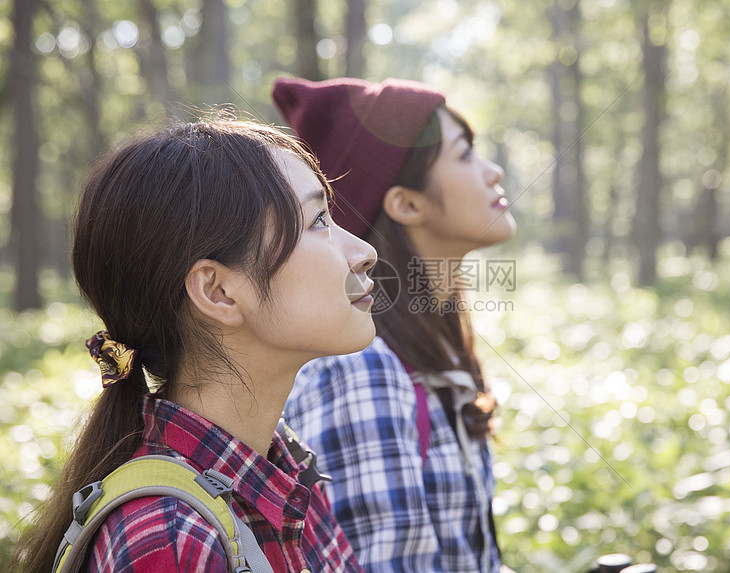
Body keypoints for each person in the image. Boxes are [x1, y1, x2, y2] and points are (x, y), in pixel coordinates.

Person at [19, 119, 377, 572]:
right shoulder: (170, 540)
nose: (363, 250)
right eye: (318, 222)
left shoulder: (284, 467)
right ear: (218, 292)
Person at [273, 78, 516, 572]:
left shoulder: (433, 351)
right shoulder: (363, 370)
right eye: (465, 154)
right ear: (406, 203)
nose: (494, 173)